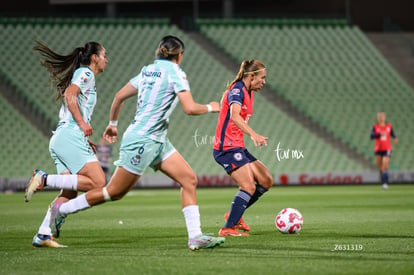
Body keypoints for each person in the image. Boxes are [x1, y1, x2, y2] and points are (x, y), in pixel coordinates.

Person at [43, 35, 225, 250]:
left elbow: (119, 96)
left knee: (189, 179)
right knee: (113, 192)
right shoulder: (176, 72)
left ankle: (195, 236)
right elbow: (190, 108)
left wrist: (113, 123)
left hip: (157, 139)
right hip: (143, 140)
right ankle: (62, 210)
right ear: (180, 55)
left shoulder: (148, 70)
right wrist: (213, 107)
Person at [25, 40, 108, 247]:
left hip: (62, 138)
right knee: (98, 184)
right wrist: (81, 124)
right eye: (104, 55)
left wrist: (84, 137)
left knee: (70, 192)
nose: (107, 60)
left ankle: (43, 233)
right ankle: (43, 178)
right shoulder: (86, 73)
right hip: (70, 135)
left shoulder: (85, 76)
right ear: (95, 58)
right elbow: (69, 94)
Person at [213, 59, 274, 237]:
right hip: (226, 148)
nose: (264, 82)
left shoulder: (248, 91)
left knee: (266, 180)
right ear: (251, 76)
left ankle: (235, 216)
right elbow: (235, 116)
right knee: (248, 186)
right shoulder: (238, 90)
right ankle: (227, 228)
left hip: (237, 147)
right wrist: (254, 135)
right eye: (262, 78)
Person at [370, 112, 398, 190]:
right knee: (381, 168)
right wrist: (378, 134)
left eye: (382, 116)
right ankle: (383, 182)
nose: (381, 117)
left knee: (385, 165)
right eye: (379, 116)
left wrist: (395, 138)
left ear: (385, 117)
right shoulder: (375, 127)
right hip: (378, 149)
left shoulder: (389, 126)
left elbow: (393, 134)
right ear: (377, 118)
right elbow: (371, 136)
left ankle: (385, 183)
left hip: (387, 148)